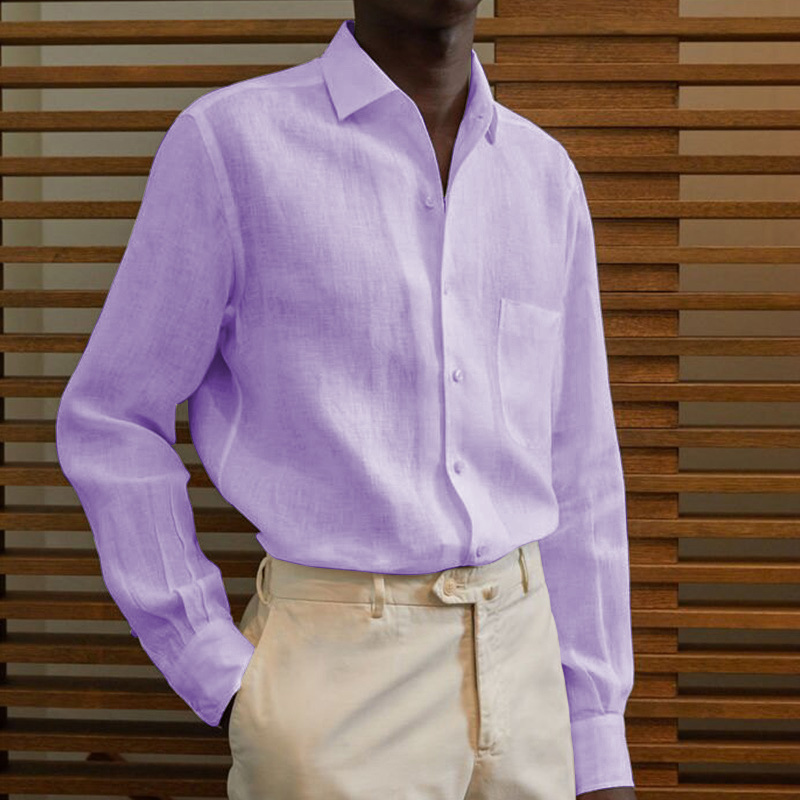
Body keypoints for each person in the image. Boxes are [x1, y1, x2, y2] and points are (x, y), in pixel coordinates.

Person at [55, 1, 637, 798]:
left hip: (530, 674)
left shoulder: (543, 175)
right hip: (332, 687)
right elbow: (112, 419)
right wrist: (217, 669)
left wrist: (597, 736)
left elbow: (581, 466)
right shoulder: (232, 145)